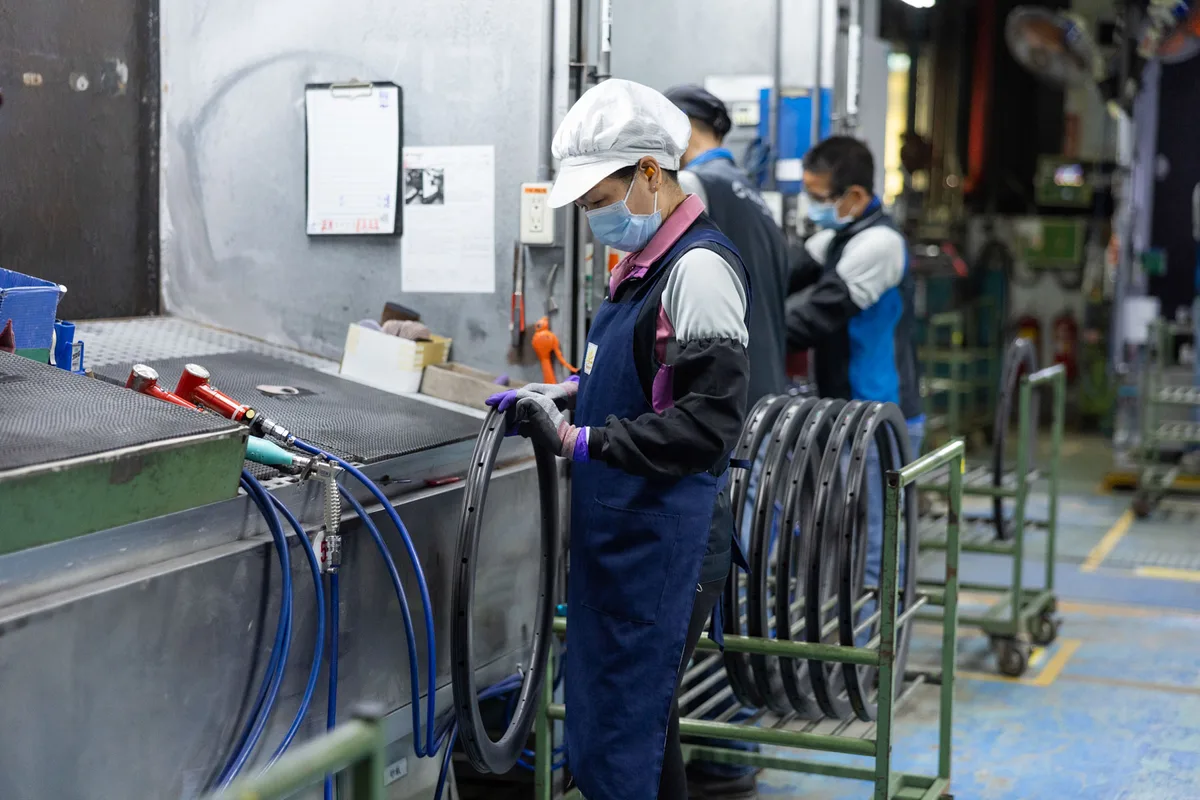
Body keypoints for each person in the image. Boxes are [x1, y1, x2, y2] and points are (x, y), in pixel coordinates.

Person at [487, 78, 752, 800]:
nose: (597, 219)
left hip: (665, 539)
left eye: (603, 203)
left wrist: (577, 438)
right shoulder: (640, 269)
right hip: (623, 533)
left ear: (649, 174)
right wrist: (567, 391)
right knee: (625, 728)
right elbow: (648, 379)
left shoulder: (697, 271)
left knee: (622, 733)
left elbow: (704, 427)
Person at [666, 83, 793, 800]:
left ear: (686, 130)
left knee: (711, 589)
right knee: (741, 591)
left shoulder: (699, 187)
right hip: (768, 409)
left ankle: (725, 754)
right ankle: (732, 745)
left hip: (730, 423)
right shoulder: (756, 197)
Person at [786, 135, 924, 629]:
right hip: (845, 414)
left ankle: (877, 655)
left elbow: (819, 313)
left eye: (820, 197)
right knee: (843, 535)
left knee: (874, 543)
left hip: (881, 416)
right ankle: (848, 640)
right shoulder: (836, 238)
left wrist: (748, 338)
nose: (813, 206)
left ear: (857, 197)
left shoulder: (880, 243)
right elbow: (786, 272)